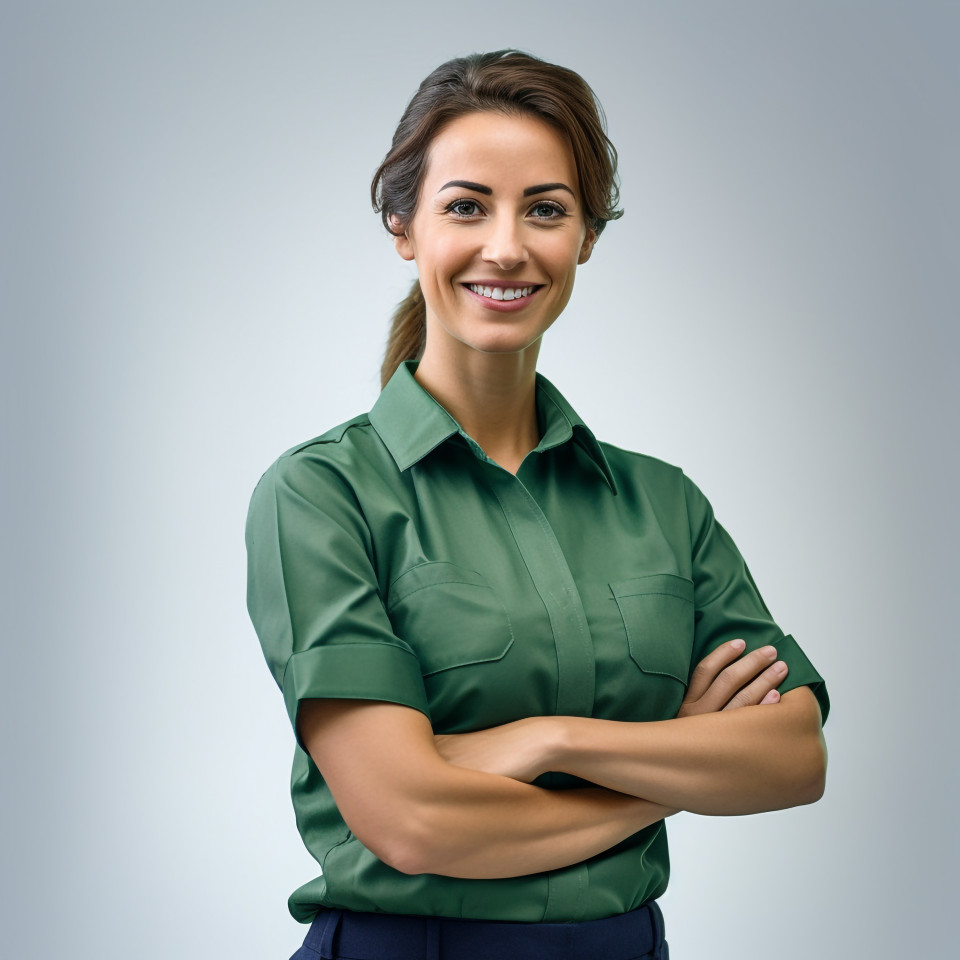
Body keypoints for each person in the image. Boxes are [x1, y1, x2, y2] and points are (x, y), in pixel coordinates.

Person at [245, 49, 829, 960]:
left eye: (546, 209)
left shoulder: (663, 503)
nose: (507, 245)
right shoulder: (323, 494)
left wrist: (544, 738)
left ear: (587, 236)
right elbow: (411, 820)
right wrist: (675, 767)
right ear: (404, 226)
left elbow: (794, 757)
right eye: (466, 205)